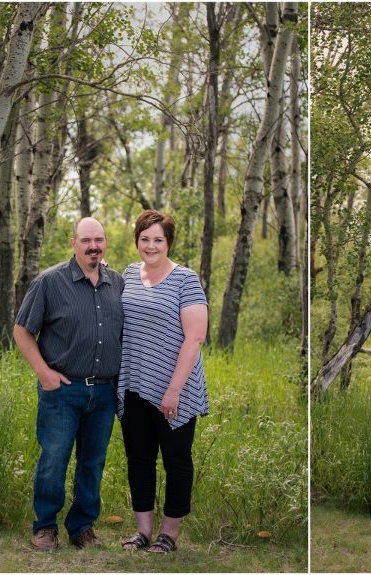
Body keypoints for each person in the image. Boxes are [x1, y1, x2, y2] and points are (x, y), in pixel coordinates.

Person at [14, 217, 124, 550]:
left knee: (93, 463)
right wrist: (44, 374)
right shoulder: (49, 282)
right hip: (62, 390)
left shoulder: (117, 283)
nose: (94, 246)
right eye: (87, 240)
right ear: (73, 242)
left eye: (99, 240)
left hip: (104, 392)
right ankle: (45, 527)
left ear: (105, 244)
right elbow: (22, 331)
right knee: (54, 459)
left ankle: (82, 527)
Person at [117, 210, 209, 554]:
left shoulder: (186, 279)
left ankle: (169, 535)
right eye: (144, 239)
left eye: (158, 239)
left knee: (176, 461)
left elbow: (195, 337)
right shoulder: (127, 274)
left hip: (175, 388)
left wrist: (173, 390)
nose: (150, 245)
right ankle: (142, 532)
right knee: (139, 458)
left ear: (168, 242)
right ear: (137, 241)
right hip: (134, 383)